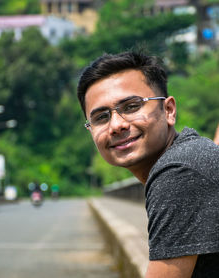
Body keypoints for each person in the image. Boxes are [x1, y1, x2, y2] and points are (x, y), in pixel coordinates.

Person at [77, 51, 219, 277]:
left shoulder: (179, 171)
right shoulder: (188, 155)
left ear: (169, 110)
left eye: (132, 106)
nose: (116, 125)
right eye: (101, 117)